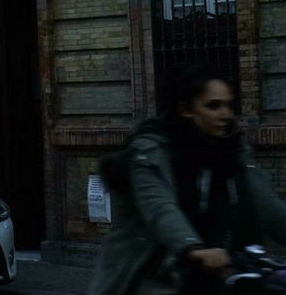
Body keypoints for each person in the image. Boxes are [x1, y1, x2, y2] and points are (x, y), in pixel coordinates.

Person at [89, 67, 286, 295]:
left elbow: (267, 206)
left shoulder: (232, 153)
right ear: (186, 110)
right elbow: (160, 209)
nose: (226, 114)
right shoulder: (150, 152)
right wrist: (192, 247)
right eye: (213, 105)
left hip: (210, 276)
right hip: (151, 271)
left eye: (229, 105)